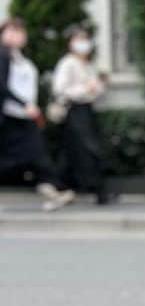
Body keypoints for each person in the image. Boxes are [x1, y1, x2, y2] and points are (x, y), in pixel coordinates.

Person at [0, 17, 75, 211]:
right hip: (12, 115)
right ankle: (53, 188)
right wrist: (25, 104)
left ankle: (51, 189)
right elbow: (2, 87)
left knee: (34, 155)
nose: (18, 36)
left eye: (20, 31)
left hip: (24, 115)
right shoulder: (3, 55)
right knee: (28, 156)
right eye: (11, 31)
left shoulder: (18, 57)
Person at [50, 25, 113, 205]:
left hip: (86, 110)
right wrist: (86, 88)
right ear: (70, 43)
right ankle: (96, 190)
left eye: (85, 39)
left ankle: (67, 187)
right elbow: (60, 89)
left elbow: (95, 90)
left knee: (74, 152)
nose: (83, 43)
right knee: (89, 149)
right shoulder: (67, 63)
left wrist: (98, 87)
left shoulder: (88, 64)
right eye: (78, 39)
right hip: (74, 110)